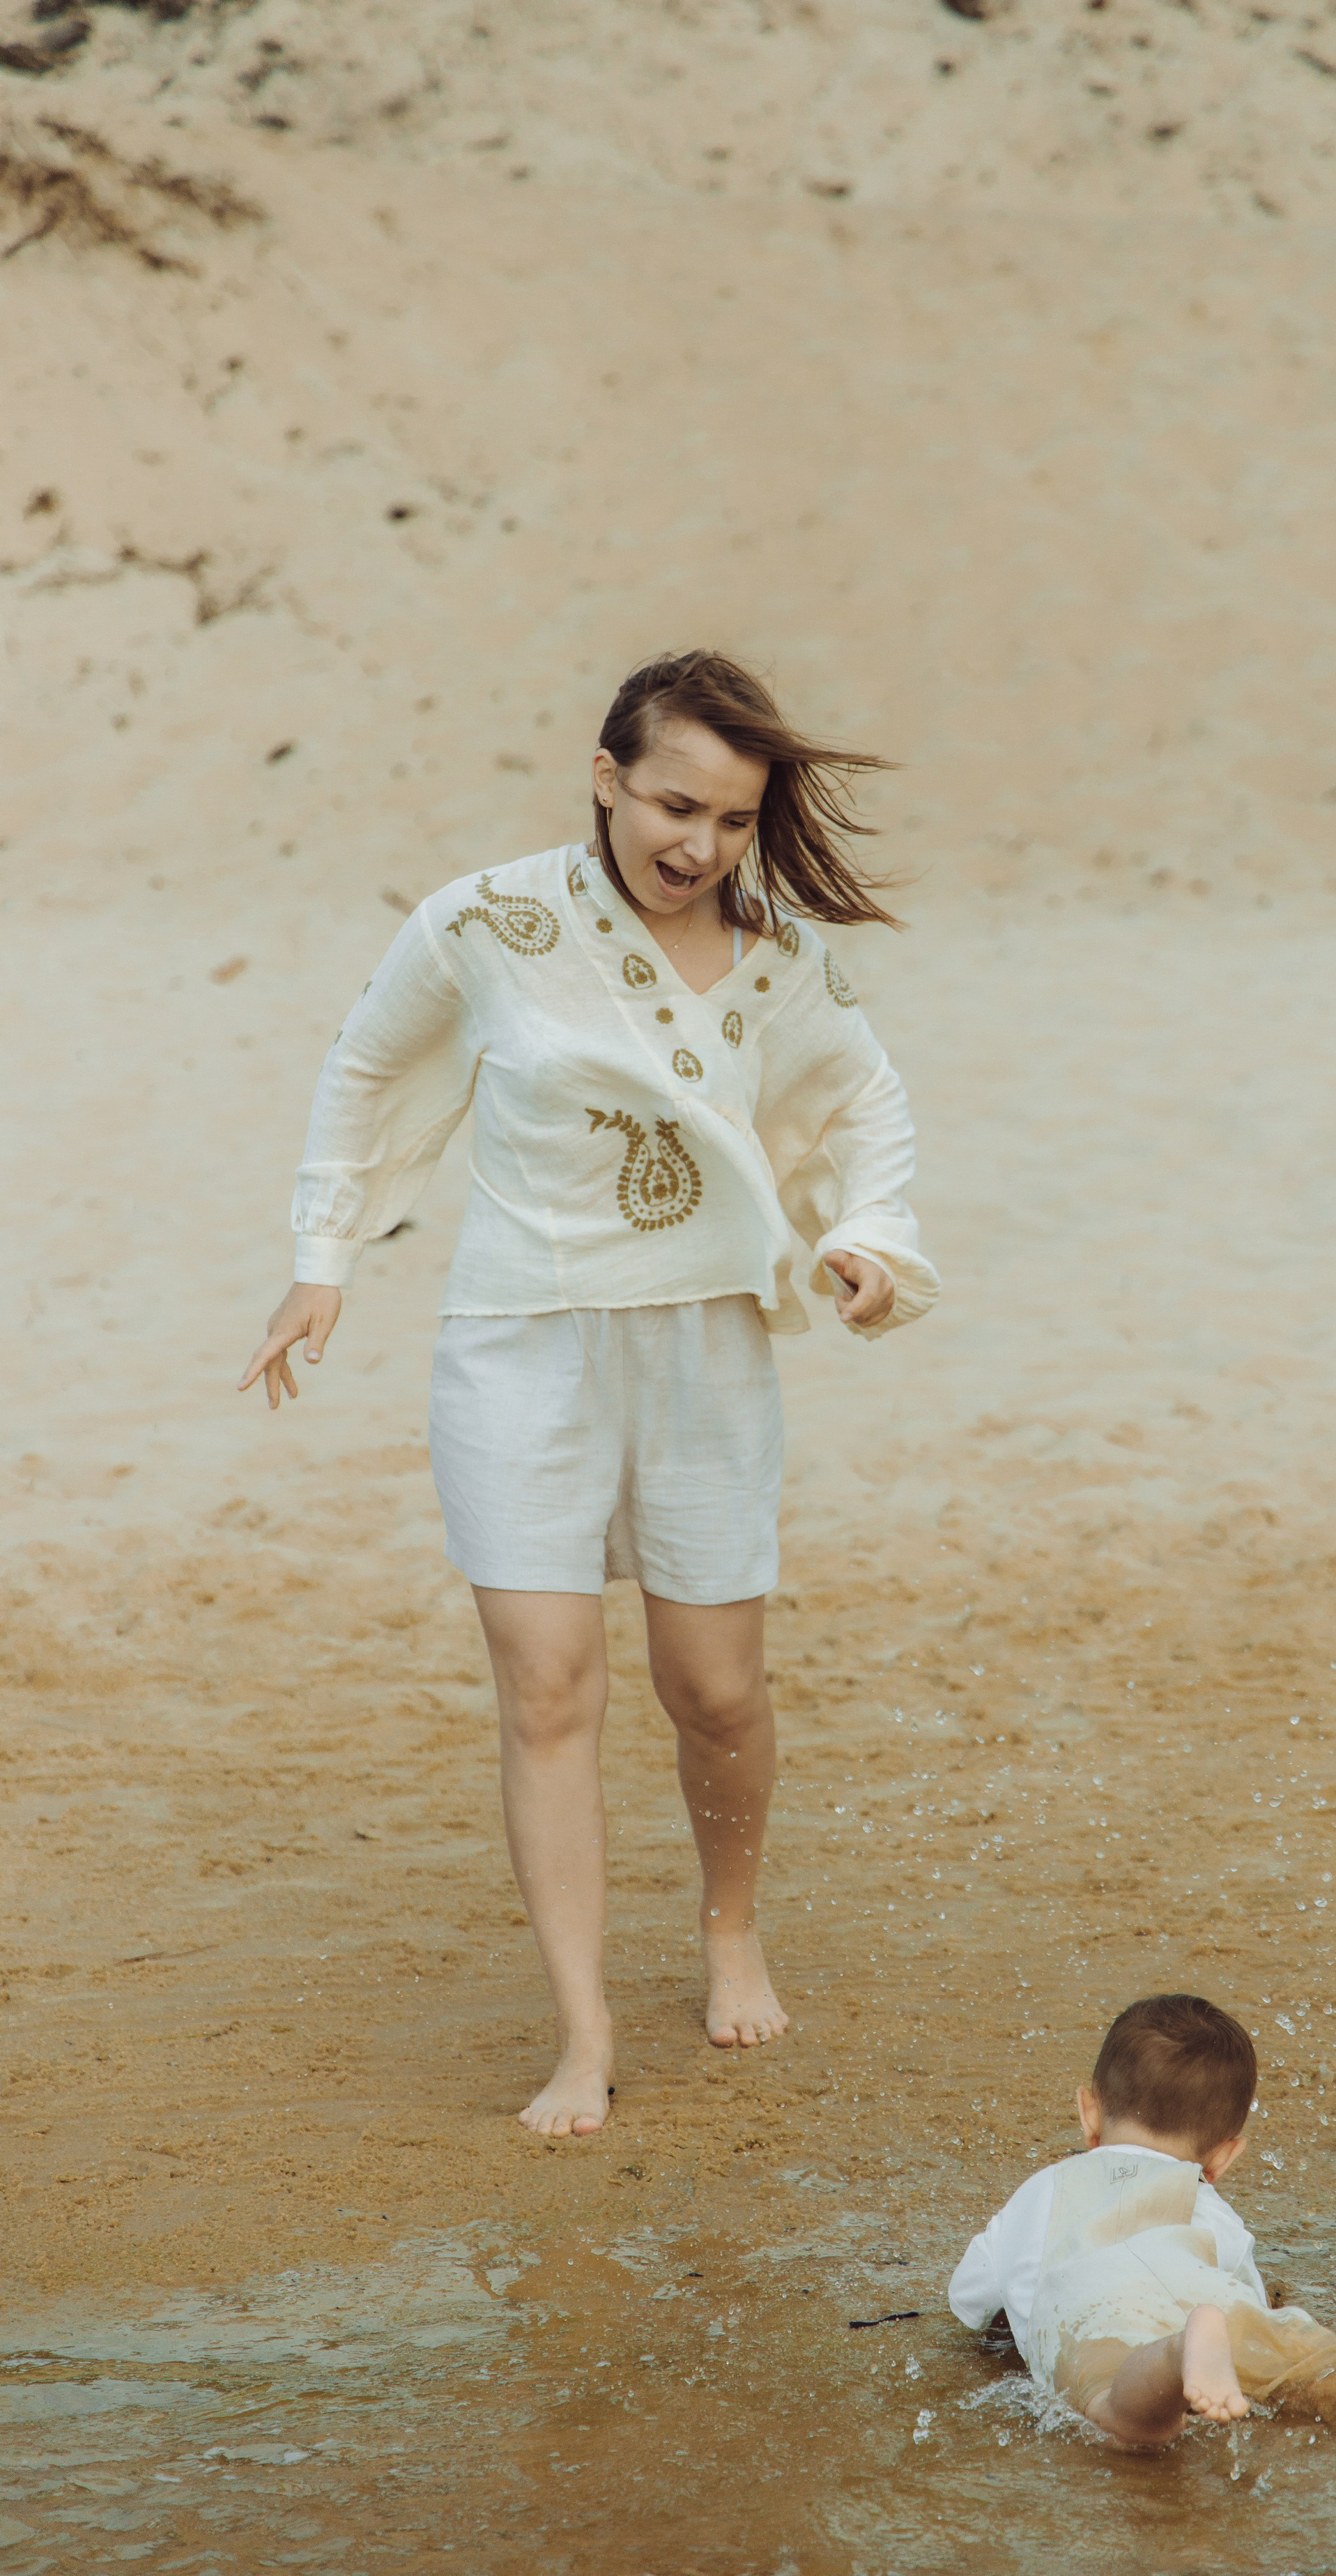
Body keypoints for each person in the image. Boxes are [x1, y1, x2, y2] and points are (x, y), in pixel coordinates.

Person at [240, 649, 937, 2137]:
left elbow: (866, 1105)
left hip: (704, 1350)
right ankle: (584, 2027)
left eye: (735, 820)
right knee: (549, 1689)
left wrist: (868, 1244)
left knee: (715, 1692)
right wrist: (322, 1261)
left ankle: (729, 1928)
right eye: (676, 805)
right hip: (520, 1343)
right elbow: (363, 1070)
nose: (701, 845)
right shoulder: (488, 921)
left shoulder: (780, 958)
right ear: (607, 778)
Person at [949, 1993, 1336, 2462]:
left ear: (1089, 2110)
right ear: (1225, 2156)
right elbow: (1246, 2304)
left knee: (1123, 2418)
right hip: (1214, 2300)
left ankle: (1175, 2353)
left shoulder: (1042, 2192)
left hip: (1104, 2309)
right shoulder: (1209, 2208)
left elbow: (970, 2300)